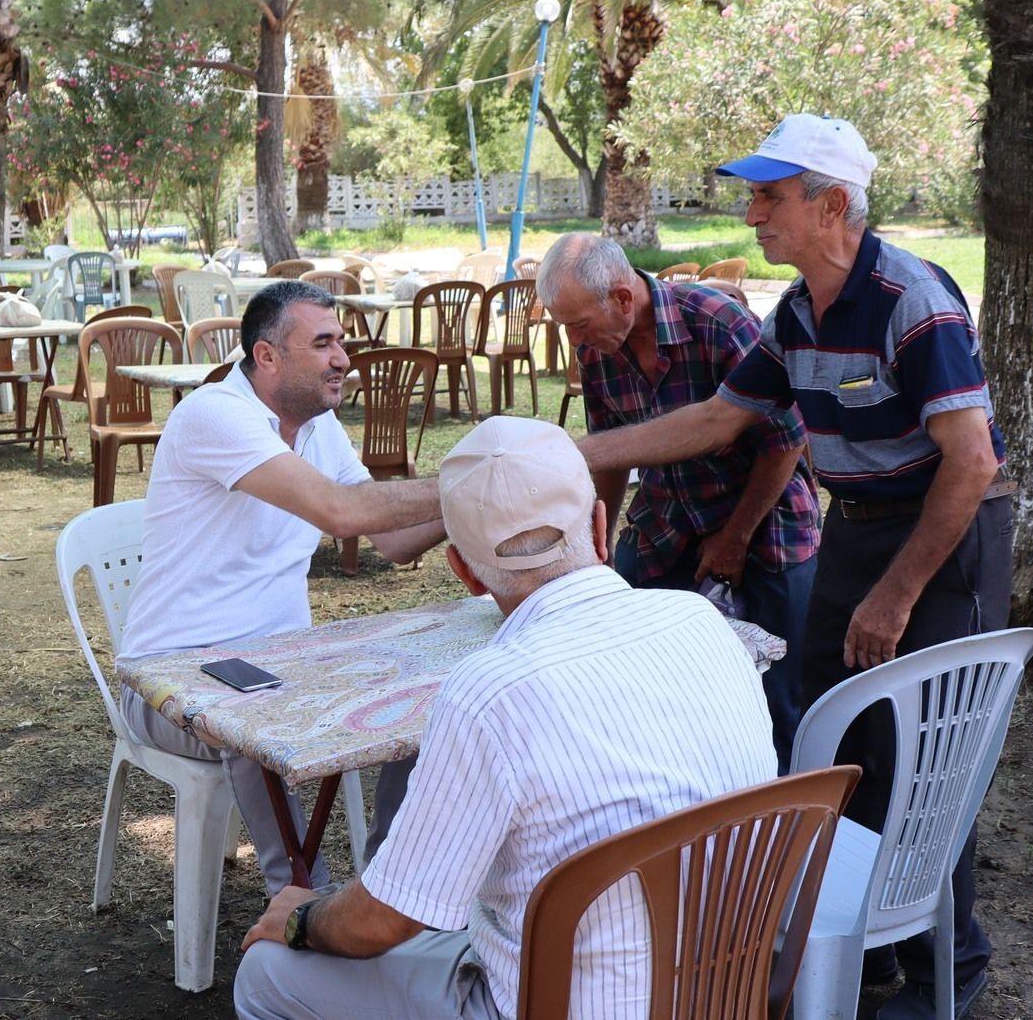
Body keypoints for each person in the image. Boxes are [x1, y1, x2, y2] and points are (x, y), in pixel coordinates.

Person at [574, 114, 1010, 1020]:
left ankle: (947, 975)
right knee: (834, 740)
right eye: (753, 196)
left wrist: (897, 593)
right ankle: (866, 947)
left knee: (928, 752)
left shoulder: (910, 300)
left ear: (834, 204)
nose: (752, 215)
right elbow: (715, 421)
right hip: (855, 526)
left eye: (770, 197)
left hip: (943, 533)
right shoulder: (799, 311)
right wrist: (576, 456)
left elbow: (972, 464)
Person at [232, 416, 775, 1020]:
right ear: (600, 526)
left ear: (462, 571)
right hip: (726, 989)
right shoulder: (705, 624)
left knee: (264, 974)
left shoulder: (487, 695)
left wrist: (303, 917)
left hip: (555, 1004)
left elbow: (384, 921)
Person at [121, 280, 448, 891]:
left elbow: (396, 541)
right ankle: (303, 900)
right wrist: (471, 480)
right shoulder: (216, 413)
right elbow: (341, 512)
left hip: (284, 663)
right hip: (167, 679)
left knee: (430, 698)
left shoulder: (318, 427)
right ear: (267, 356)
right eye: (323, 343)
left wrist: (486, 504)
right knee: (256, 718)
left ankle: (391, 887)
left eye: (341, 342)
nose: (344, 360)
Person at [536, 231, 818, 769]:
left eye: (577, 324)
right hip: (669, 522)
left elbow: (785, 443)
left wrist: (736, 537)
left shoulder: (714, 321)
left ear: (622, 298)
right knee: (642, 672)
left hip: (766, 523)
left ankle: (782, 815)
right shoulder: (597, 350)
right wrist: (595, 546)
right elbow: (609, 456)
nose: (574, 339)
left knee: (775, 697)